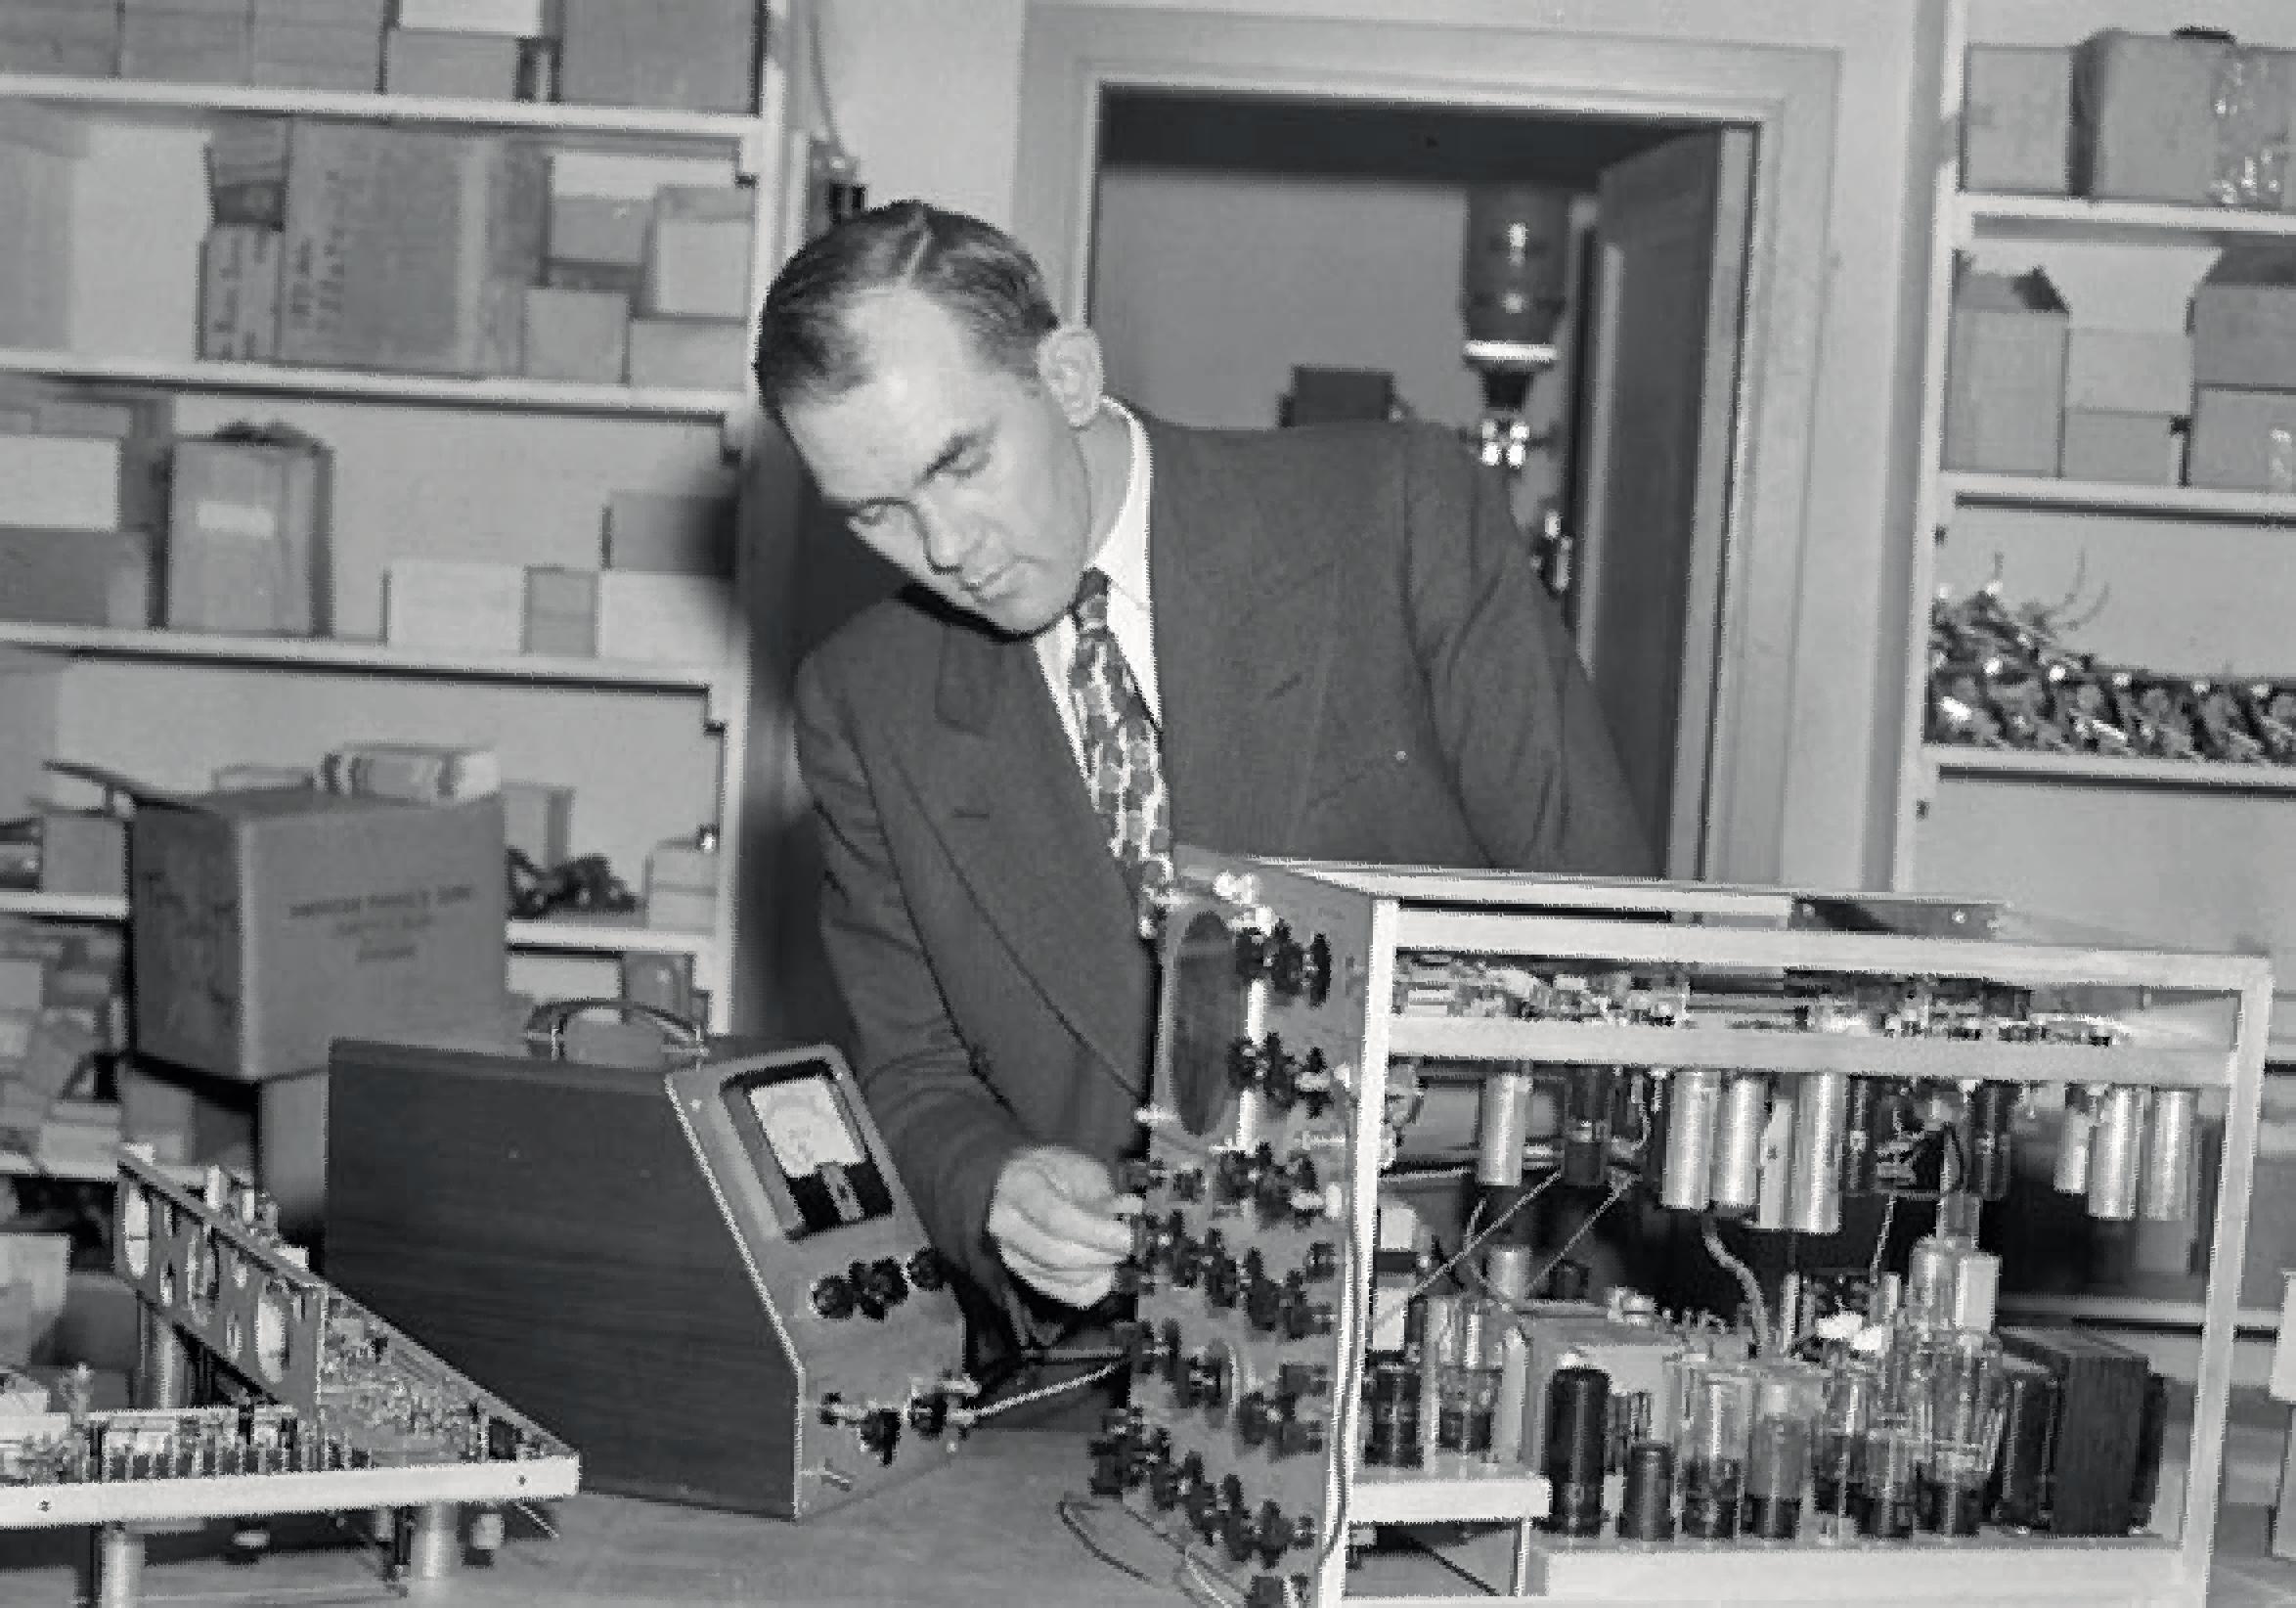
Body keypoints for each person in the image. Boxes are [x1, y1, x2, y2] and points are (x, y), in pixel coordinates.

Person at [754, 200, 1654, 1387]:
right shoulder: (863, 697)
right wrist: (997, 1185)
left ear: (1067, 376)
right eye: (876, 513)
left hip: (1448, 1326)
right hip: (1109, 1370)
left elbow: (1603, 966)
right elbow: (913, 1077)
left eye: (959, 464)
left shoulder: (1393, 512)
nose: (947, 546)